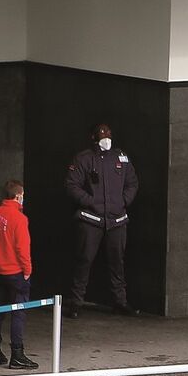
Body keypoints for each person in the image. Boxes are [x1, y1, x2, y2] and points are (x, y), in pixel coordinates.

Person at [64, 123, 139, 318]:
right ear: (93, 137)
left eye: (108, 133)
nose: (106, 137)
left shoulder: (121, 158)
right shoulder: (84, 159)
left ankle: (120, 302)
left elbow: (132, 183)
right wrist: (90, 201)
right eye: (101, 134)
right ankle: (75, 302)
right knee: (84, 261)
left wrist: (123, 201)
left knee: (117, 263)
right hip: (91, 219)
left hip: (117, 220)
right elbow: (72, 185)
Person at [0, 180, 38, 369]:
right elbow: (23, 249)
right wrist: (28, 270)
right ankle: (17, 354)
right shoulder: (19, 218)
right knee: (18, 314)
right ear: (18, 196)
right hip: (16, 273)